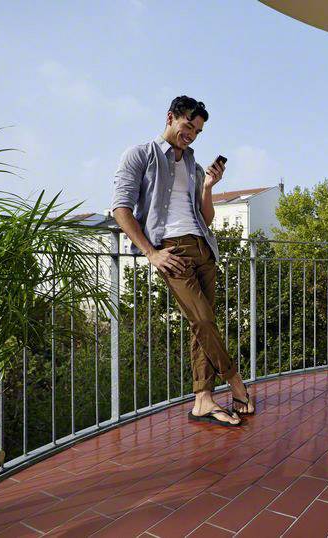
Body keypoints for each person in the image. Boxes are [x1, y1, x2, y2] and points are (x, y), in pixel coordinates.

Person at [111, 96, 254, 426]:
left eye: (198, 131)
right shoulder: (140, 155)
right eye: (188, 126)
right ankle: (236, 383)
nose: (191, 134)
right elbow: (120, 209)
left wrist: (208, 186)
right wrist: (151, 252)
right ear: (171, 117)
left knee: (200, 325)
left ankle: (203, 399)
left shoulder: (194, 165)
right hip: (172, 250)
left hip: (204, 248)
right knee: (204, 320)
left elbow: (206, 217)